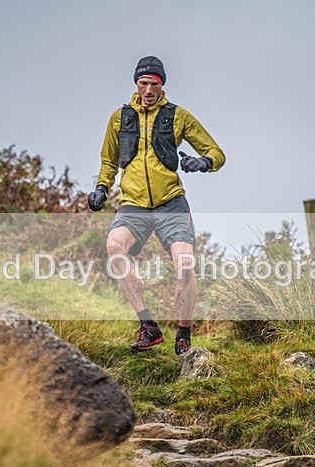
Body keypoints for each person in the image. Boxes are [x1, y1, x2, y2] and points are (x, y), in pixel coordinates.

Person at [88, 55, 225, 355]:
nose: (148, 89)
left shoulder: (178, 116)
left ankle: (183, 334)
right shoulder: (119, 118)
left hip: (170, 204)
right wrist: (101, 187)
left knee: (185, 264)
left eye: (154, 84)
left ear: (162, 85)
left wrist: (201, 161)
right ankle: (148, 326)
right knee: (114, 248)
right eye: (143, 83)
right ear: (136, 84)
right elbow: (109, 160)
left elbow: (217, 153)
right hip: (133, 204)